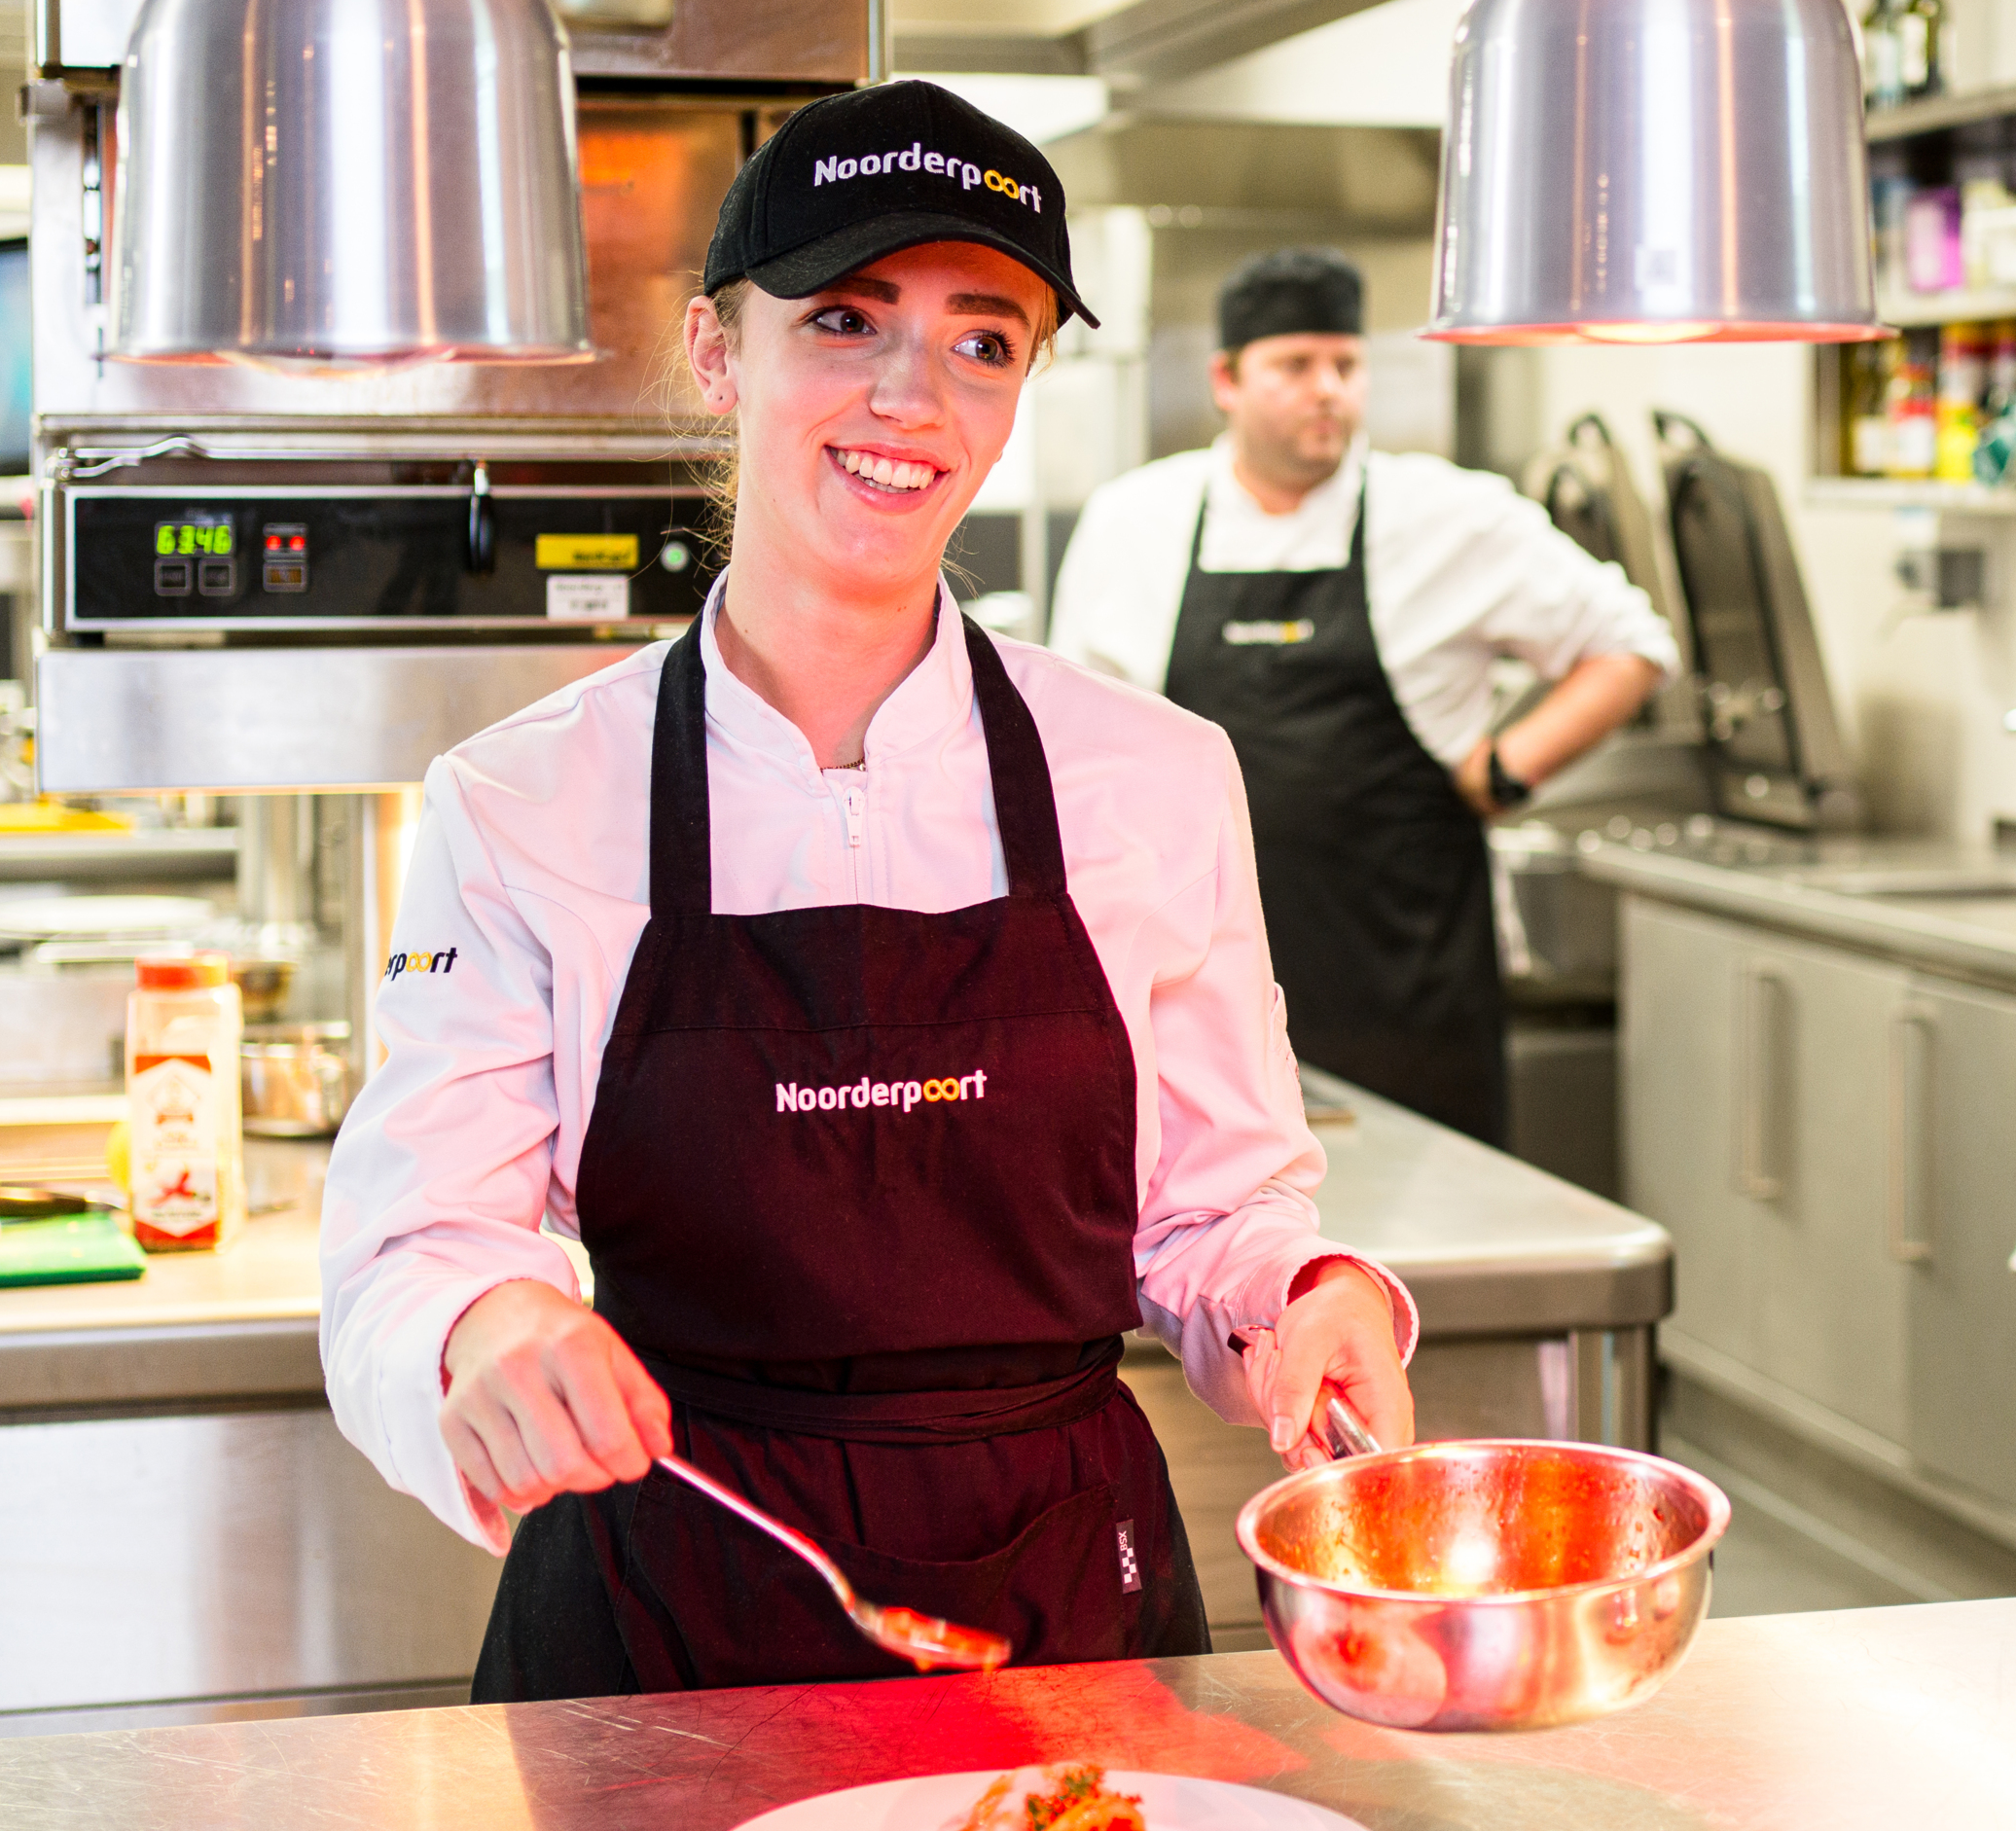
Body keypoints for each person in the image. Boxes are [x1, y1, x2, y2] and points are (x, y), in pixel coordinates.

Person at [318, 82, 1419, 1700]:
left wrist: (1303, 1299)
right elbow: (417, 1240)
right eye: (845, 318)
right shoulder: (522, 798)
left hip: (1070, 1608)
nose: (912, 395)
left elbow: (1217, 1206)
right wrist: (484, 1331)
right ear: (717, 350)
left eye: (984, 340)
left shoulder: (1154, 775)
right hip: (658, 1606)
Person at [1045, 248, 1672, 1147]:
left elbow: (1633, 645)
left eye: (1346, 364)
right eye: (1295, 367)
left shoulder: (1449, 516)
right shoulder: (1134, 521)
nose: (1328, 389)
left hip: (1407, 986)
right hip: (1200, 994)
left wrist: (1506, 770)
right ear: (1226, 380)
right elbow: (1083, 743)